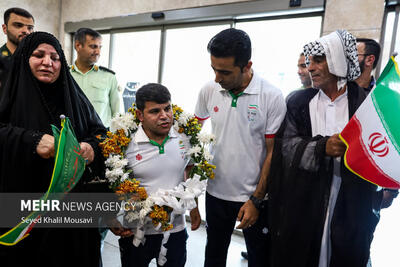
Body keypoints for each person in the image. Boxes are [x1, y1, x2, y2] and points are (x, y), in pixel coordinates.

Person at [267, 30, 382, 267]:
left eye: (319, 60)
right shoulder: (298, 102)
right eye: (310, 62)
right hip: (304, 201)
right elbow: (286, 146)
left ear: (339, 61)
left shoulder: (366, 104)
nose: (310, 68)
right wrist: (322, 147)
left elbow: (381, 149)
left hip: (350, 202)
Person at [0, 31, 108, 267]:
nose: (47, 62)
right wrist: (30, 140)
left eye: (55, 57)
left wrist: (91, 147)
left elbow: (101, 133)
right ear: (24, 59)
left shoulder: (75, 98)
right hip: (22, 207)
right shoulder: (5, 95)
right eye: (38, 55)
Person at [195, 28, 286, 267]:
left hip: (253, 198)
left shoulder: (271, 96)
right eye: (213, 69)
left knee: (259, 258)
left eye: (224, 71)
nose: (217, 78)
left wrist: (256, 200)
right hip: (215, 193)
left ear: (247, 66)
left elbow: (272, 152)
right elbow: (191, 132)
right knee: (213, 256)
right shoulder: (208, 90)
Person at [116, 83, 201, 267]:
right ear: (140, 115)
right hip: (135, 231)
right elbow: (113, 183)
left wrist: (194, 206)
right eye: (154, 111)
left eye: (167, 108)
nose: (164, 116)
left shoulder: (185, 136)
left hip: (175, 228)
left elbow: (190, 169)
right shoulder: (124, 143)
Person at [70, 27, 121, 128]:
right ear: (78, 46)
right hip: (72, 138)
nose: (98, 52)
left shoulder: (109, 77)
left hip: (102, 139)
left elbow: (118, 114)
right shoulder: (65, 75)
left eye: (100, 47)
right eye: (93, 47)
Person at [0, 7, 34, 91]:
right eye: (18, 25)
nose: (26, 31)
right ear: (5, 29)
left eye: (30, 28)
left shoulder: (36, 60)